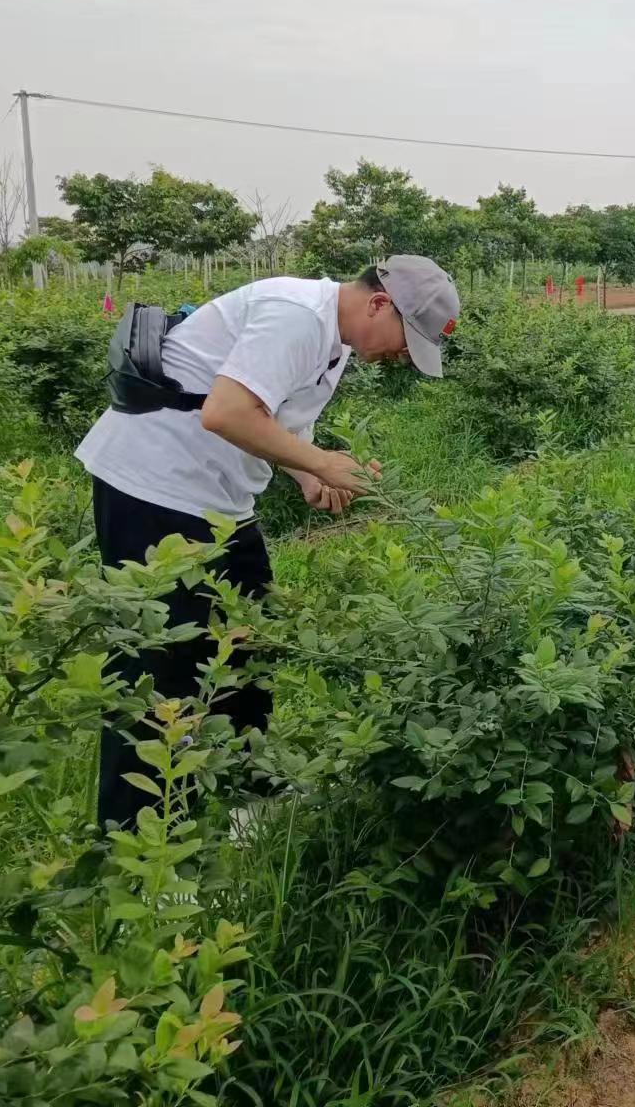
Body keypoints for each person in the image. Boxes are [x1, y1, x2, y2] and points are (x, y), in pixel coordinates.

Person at [76, 256, 461, 828]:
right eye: (406, 341)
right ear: (380, 304)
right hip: (152, 489)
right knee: (159, 665)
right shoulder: (297, 315)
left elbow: (275, 420)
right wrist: (324, 460)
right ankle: (136, 844)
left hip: (217, 501)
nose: (401, 356)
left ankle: (246, 801)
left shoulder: (335, 340)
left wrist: (309, 475)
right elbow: (225, 412)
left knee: (247, 638)